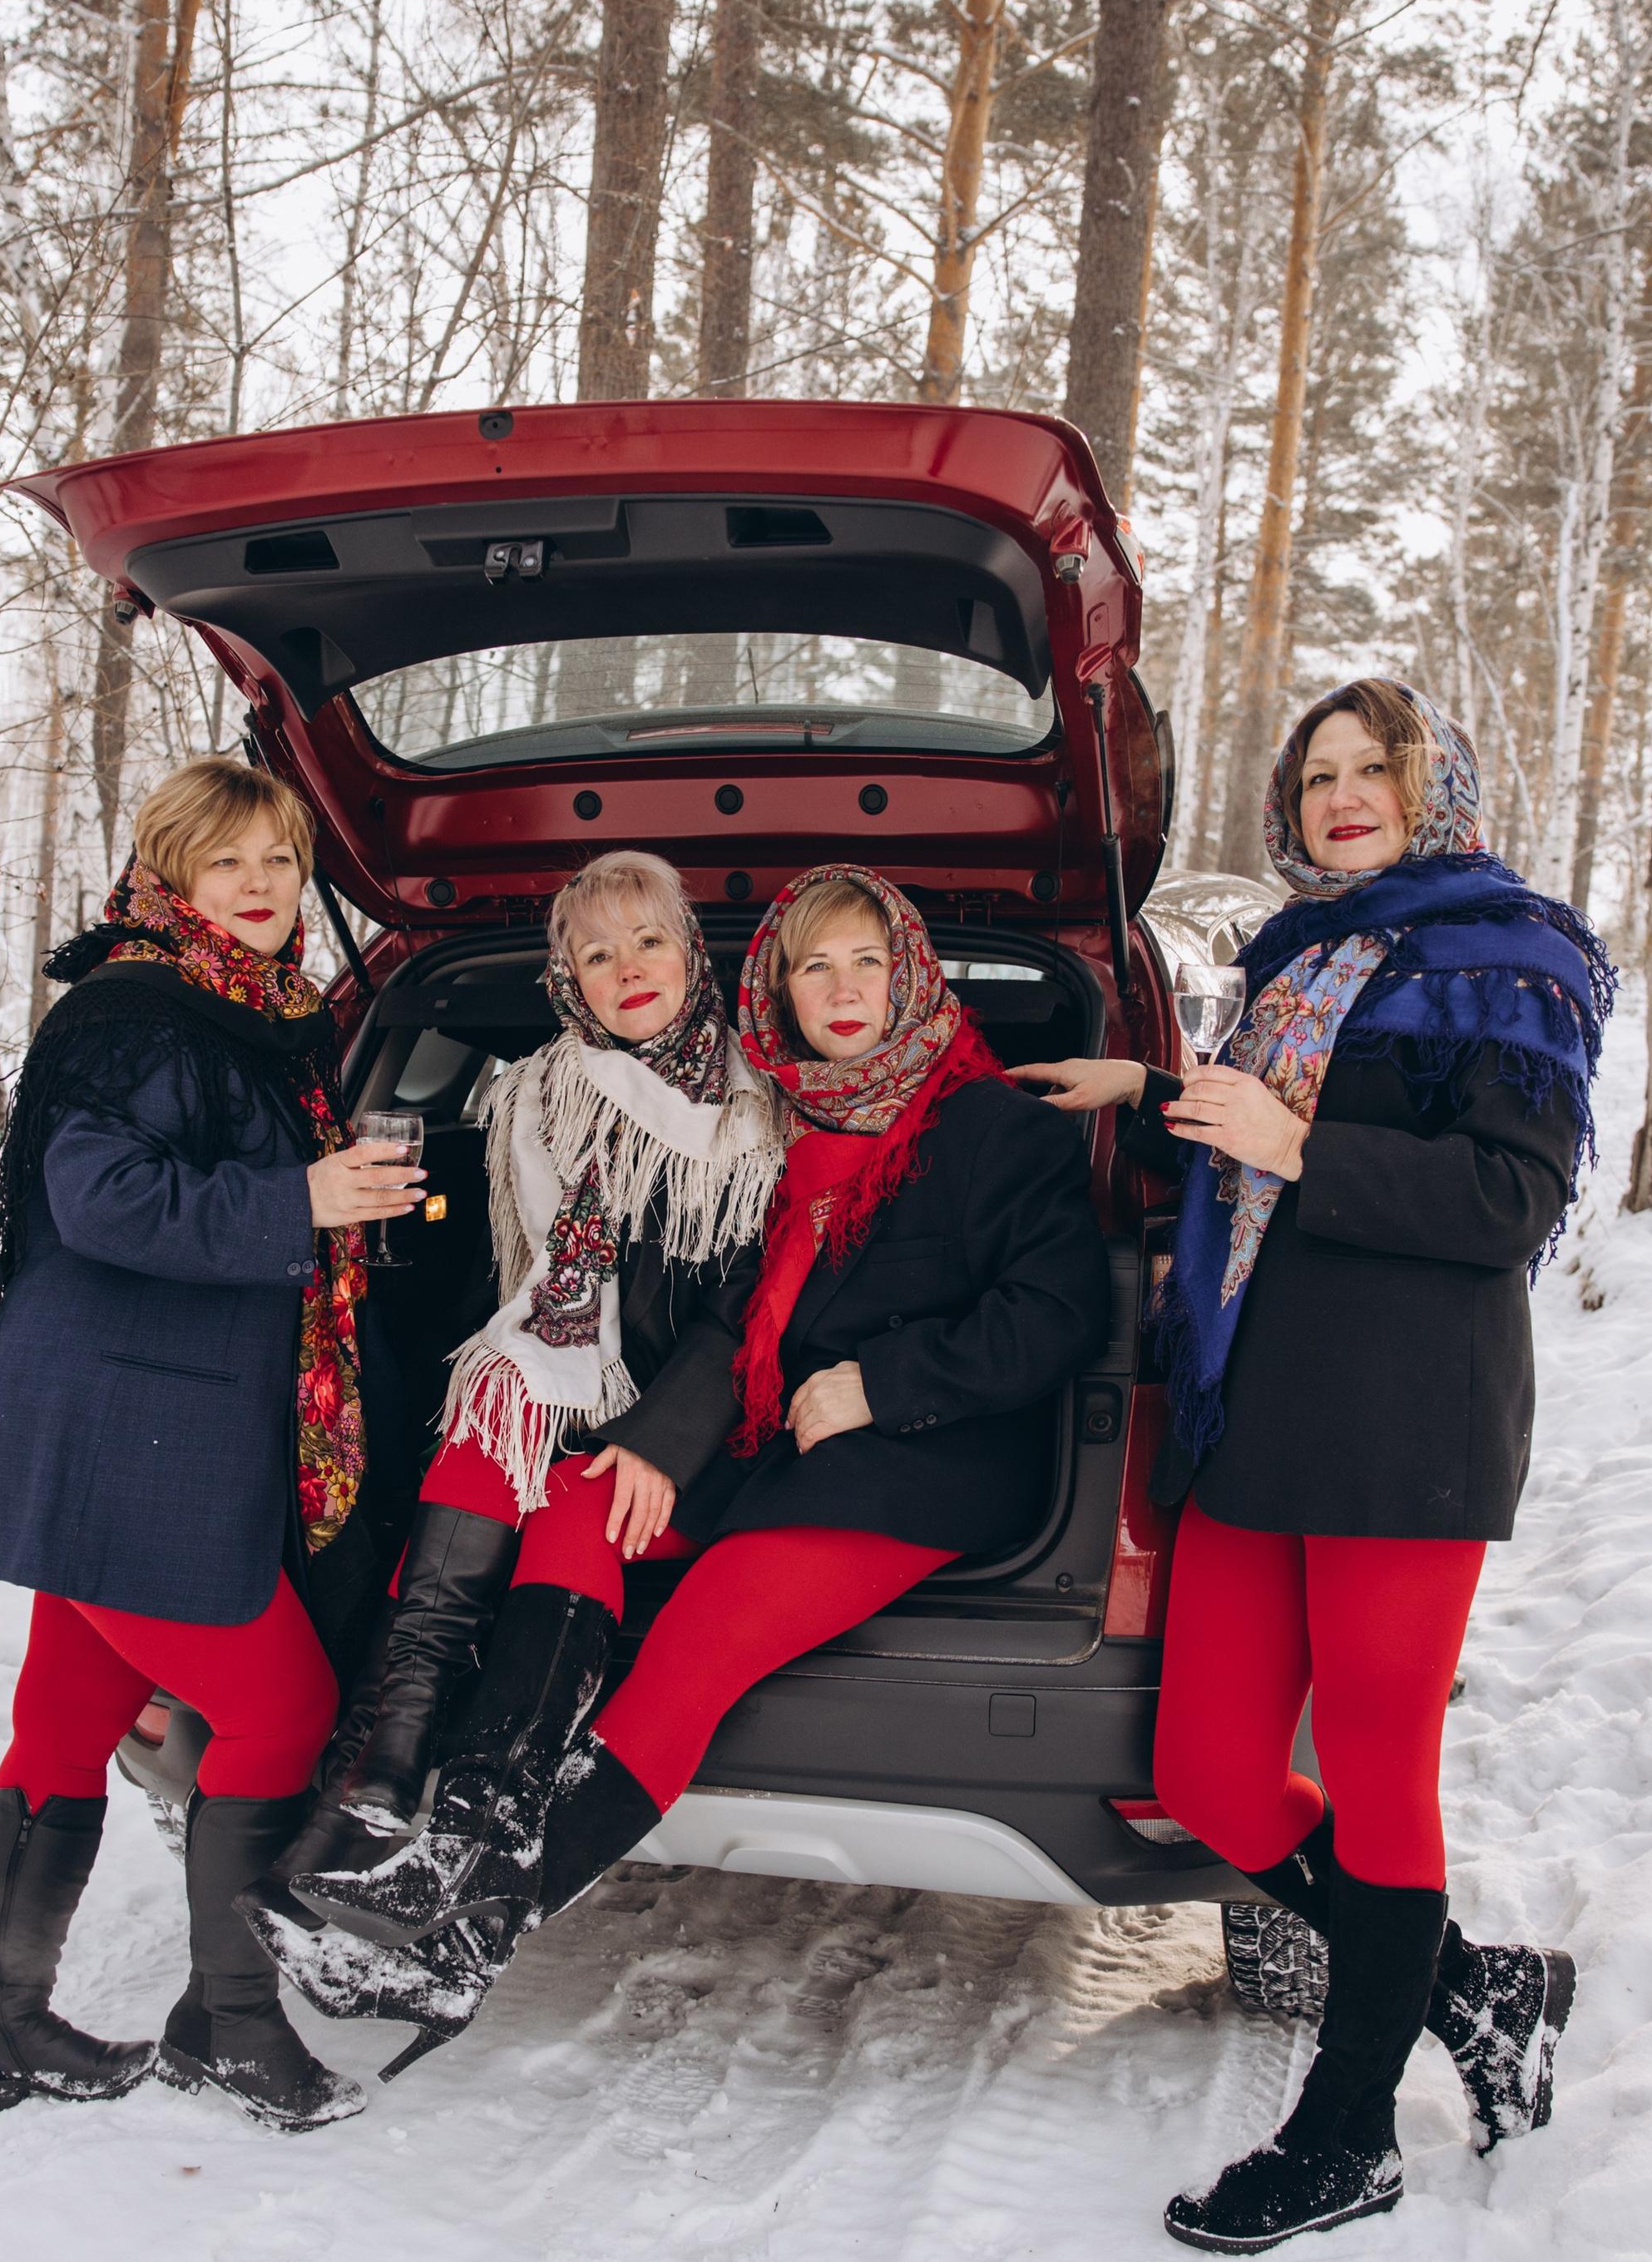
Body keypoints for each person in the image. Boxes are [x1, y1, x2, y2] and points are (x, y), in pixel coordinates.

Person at [271, 861, 1110, 2063]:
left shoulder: (989, 1123)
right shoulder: (781, 1124)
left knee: (692, 1645)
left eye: (867, 960)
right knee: (576, 1496)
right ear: (776, 983)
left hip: (917, 1466)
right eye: (814, 963)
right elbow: (727, 1319)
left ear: (913, 971)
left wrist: (881, 1383)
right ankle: (472, 1823)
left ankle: (472, 1935)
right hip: (775, 1447)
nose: (844, 987)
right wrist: (654, 1446)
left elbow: (1059, 1314)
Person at [1015, 678, 1614, 2255]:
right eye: (1318, 774)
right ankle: (1479, 1988)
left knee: (1374, 1777)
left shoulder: (1515, 958)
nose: (1340, 795)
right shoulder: (1299, 957)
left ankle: (1350, 2135)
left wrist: (1291, 1147)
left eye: (1374, 769)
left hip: (1409, 1422)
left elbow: (1504, 1198)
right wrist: (1160, 1098)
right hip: (1260, 1413)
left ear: (1436, 786)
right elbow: (1250, 1143)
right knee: (1213, 1773)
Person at [0, 755, 423, 2131]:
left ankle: (2, 2025)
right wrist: (301, 1198)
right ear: (173, 875)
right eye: (231, 865)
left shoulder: (252, 1013)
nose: (264, 888)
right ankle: (230, 2021)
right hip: (123, 1424)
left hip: (133, 1415)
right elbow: (102, 1201)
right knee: (282, 1708)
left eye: (279, 860)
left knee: (65, 1717)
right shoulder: (140, 1010)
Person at [250, 849, 784, 2012]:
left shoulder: (756, 1109)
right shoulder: (535, 1097)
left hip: (696, 1440)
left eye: (648, 940)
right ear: (567, 980)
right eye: (597, 953)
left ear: (694, 954)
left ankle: (483, 1813)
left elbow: (747, 1317)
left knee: (574, 1481)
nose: (626, 968)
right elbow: (518, 1293)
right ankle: (378, 1784)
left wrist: (654, 1438)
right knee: (481, 1426)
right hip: (563, 1408)